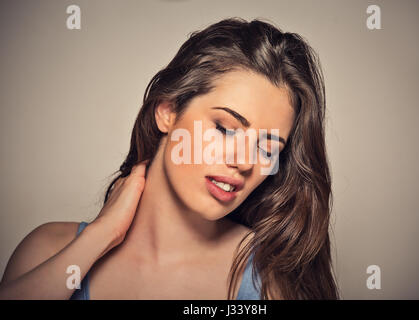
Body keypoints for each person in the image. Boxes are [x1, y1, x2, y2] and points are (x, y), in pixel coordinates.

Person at [0, 17, 339, 300]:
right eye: (226, 129)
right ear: (167, 112)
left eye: (267, 149)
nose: (245, 162)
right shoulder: (47, 250)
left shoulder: (268, 279)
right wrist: (100, 236)